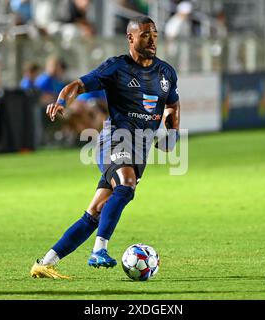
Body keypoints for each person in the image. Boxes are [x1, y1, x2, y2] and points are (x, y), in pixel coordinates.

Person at [30, 16, 181, 279]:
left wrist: (173, 133)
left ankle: (45, 261)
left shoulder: (166, 73)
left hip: (141, 149)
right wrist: (62, 102)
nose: (152, 39)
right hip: (116, 138)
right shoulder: (116, 67)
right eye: (145, 34)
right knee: (126, 184)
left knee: (96, 211)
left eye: (155, 34)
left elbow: (172, 104)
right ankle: (99, 249)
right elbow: (76, 85)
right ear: (131, 38)